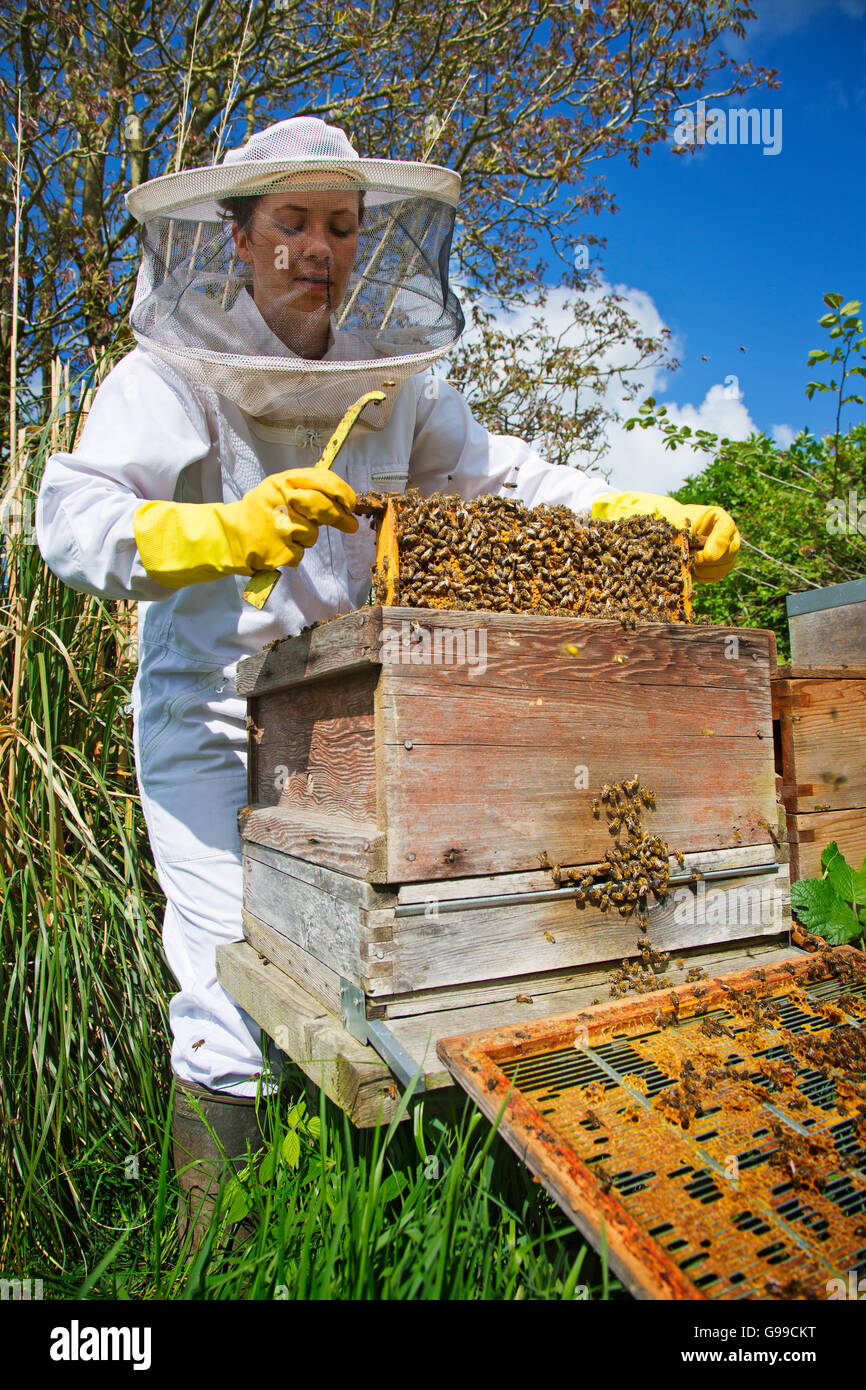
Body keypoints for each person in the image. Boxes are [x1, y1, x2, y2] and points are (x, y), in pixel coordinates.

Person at [35, 116, 740, 1238]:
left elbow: (498, 474)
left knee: (353, 957)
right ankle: (206, 1246)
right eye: (292, 221)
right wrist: (218, 530)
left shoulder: (393, 379)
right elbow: (69, 523)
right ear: (237, 236)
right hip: (212, 710)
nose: (317, 246)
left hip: (351, 710)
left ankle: (361, 1210)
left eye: (341, 226)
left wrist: (626, 509)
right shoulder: (170, 371)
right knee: (224, 966)